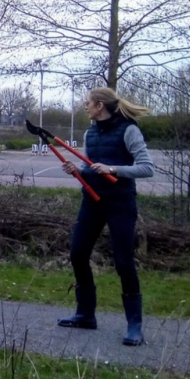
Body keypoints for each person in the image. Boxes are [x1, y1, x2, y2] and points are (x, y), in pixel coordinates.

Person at [58, 87, 154, 346]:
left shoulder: (129, 130)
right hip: (92, 201)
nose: (85, 106)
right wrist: (75, 170)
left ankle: (135, 325)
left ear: (100, 106)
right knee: (78, 254)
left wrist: (113, 169)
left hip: (120, 203)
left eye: (88, 103)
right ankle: (86, 314)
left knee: (123, 262)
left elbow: (147, 168)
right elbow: (89, 167)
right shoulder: (90, 133)